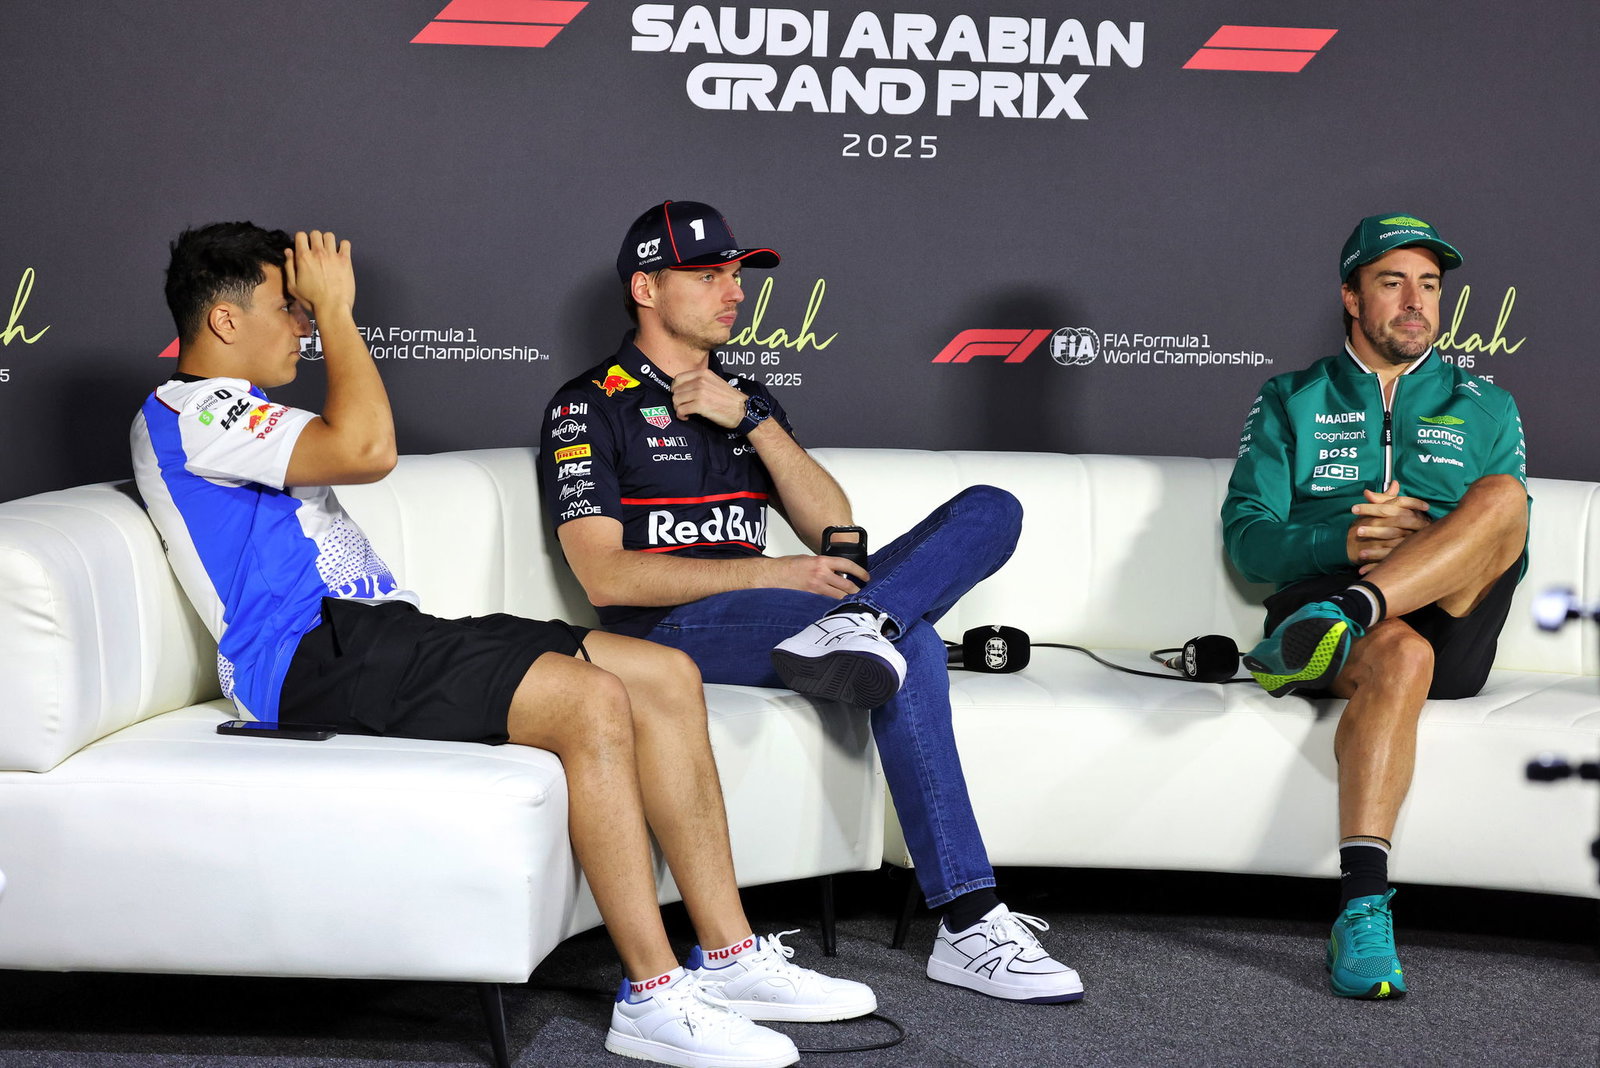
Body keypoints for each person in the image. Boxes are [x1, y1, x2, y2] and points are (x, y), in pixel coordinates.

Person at [131, 222, 876, 1068]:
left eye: (310, 310)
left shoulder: (246, 414)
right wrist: (341, 312)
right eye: (287, 308)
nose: (304, 324)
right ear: (224, 322)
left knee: (664, 674)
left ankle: (733, 957)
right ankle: (653, 996)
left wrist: (323, 311)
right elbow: (370, 450)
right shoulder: (194, 409)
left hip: (381, 632)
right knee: (589, 698)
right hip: (304, 660)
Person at [538, 200, 1083, 1004]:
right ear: (646, 288)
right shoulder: (589, 404)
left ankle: (868, 622)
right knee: (917, 644)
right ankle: (969, 920)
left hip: (783, 613)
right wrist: (773, 574)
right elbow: (607, 581)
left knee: (992, 507)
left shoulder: (746, 396)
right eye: (706, 275)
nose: (733, 292)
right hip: (667, 633)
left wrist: (753, 418)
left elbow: (838, 529)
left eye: (736, 275)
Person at [1223, 213, 1528, 1000]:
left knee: (1500, 499)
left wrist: (1425, 535)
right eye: (1392, 282)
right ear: (1352, 298)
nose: (1415, 302)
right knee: (1402, 653)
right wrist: (1346, 540)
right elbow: (1250, 544)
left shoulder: (1488, 405)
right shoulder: (1291, 397)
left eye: (1429, 286)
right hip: (1331, 608)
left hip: (1446, 607)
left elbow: (1505, 542)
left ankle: (1359, 607)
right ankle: (1363, 909)